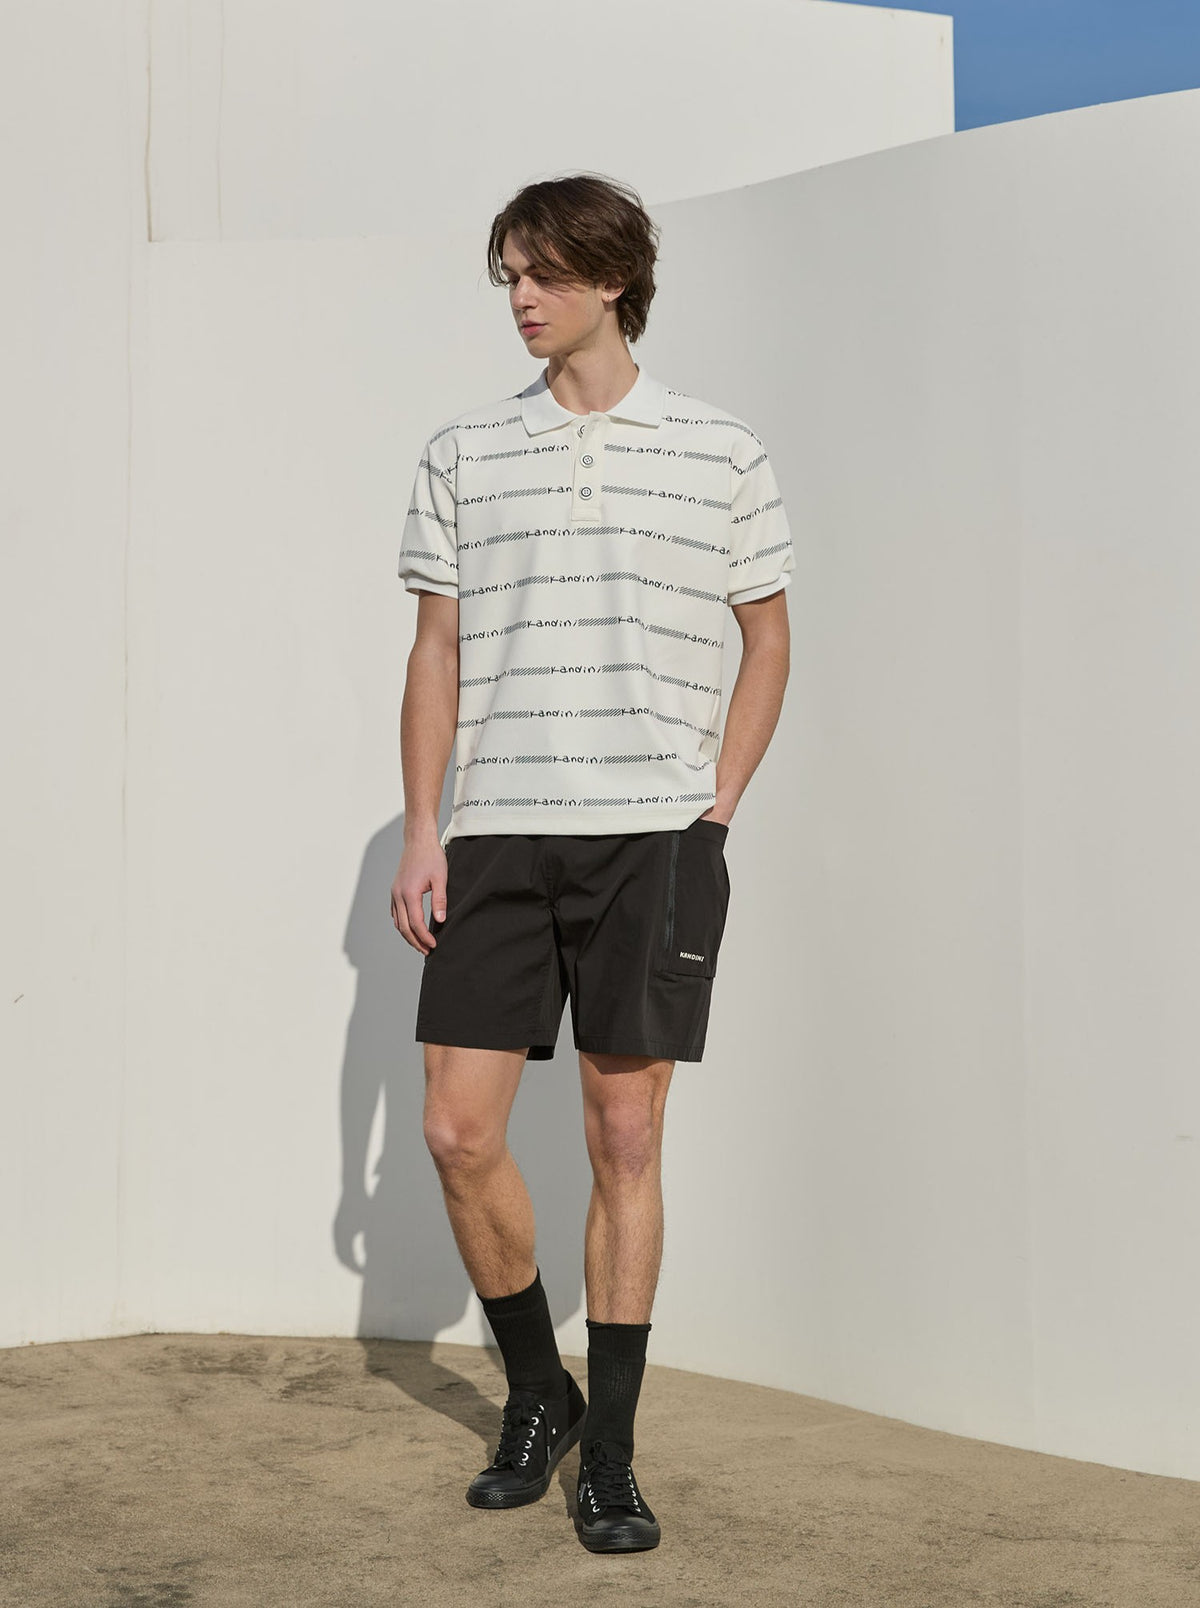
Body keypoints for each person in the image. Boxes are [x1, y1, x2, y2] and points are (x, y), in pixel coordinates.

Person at [391, 172, 793, 1553]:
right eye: (508, 274)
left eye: (544, 273)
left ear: (613, 280)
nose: (520, 298)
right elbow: (434, 653)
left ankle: (609, 1455)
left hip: (652, 838)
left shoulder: (719, 449)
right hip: (499, 829)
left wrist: (714, 808)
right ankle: (537, 1393)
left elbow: (769, 636)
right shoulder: (464, 451)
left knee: (626, 1135)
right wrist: (426, 826)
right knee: (457, 1131)